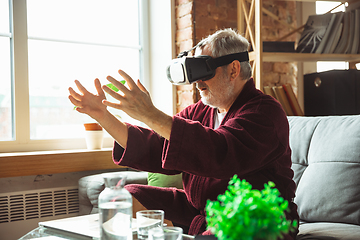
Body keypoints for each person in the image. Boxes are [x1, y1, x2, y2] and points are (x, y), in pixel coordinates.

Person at [68, 28, 299, 239]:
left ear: (234, 69)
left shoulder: (265, 112)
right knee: (127, 196)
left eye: (204, 71)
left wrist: (150, 114)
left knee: (228, 229)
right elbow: (160, 145)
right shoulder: (200, 111)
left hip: (256, 213)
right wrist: (103, 116)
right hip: (201, 210)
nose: (198, 83)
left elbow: (220, 152)